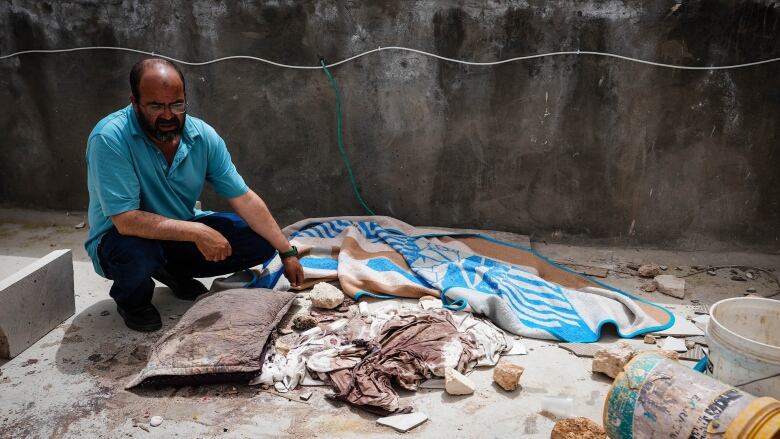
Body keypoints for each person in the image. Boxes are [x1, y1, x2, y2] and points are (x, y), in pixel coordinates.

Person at [84, 58, 304, 332]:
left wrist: (287, 252)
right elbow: (126, 221)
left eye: (176, 104)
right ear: (134, 101)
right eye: (156, 106)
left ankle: (172, 270)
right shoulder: (109, 138)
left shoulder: (202, 135)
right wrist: (198, 232)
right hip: (121, 240)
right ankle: (132, 302)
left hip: (178, 231)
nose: (168, 115)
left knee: (259, 242)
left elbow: (243, 197)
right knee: (138, 254)